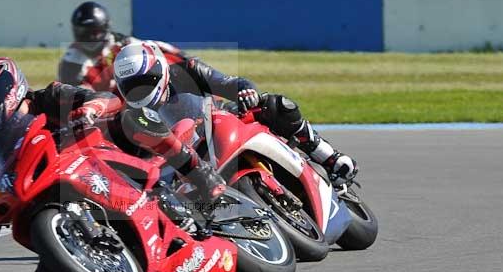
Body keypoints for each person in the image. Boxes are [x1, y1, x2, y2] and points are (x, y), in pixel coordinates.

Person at [111, 41, 359, 190]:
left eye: (146, 81)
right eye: (133, 86)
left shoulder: (188, 70)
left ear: (159, 69)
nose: (141, 90)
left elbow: (232, 82)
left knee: (277, 106)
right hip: (190, 163)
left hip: (224, 124)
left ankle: (329, 158)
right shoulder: (132, 117)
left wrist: (246, 92)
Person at [0, 57, 122, 171]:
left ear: (9, 86)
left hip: (99, 159)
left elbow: (110, 98)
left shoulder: (53, 96)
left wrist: (91, 108)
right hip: (60, 186)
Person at [58, 1, 185, 91]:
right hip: (103, 114)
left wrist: (185, 59)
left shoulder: (121, 43)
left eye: (95, 32)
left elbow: (155, 47)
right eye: (84, 32)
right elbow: (78, 98)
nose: (91, 38)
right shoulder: (71, 62)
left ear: (105, 28)